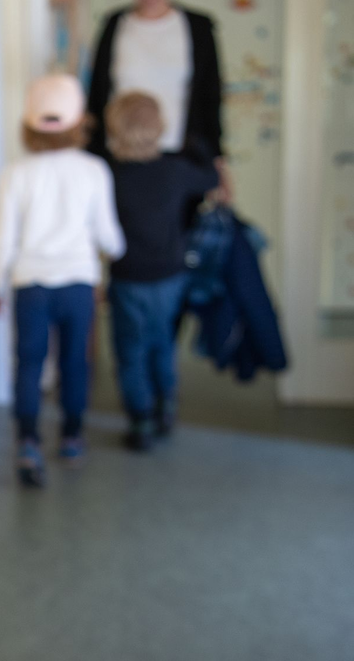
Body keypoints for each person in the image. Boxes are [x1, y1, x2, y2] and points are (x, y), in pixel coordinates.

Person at [0, 74, 126, 488]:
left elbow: (2, 237)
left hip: (30, 284)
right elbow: (108, 237)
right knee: (74, 363)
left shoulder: (16, 173)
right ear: (80, 122)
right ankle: (71, 437)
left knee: (29, 363)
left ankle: (27, 441)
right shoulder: (94, 170)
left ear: (27, 125)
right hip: (79, 284)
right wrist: (118, 251)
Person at [104, 92, 220, 451]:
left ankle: (140, 420)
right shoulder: (175, 170)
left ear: (115, 128)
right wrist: (197, 146)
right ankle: (165, 406)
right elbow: (210, 179)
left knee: (130, 348)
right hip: (170, 274)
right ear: (160, 127)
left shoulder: (110, 173)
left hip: (127, 276)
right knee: (162, 343)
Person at [86, 0, 230, 201]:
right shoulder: (114, 24)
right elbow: (96, 93)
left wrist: (218, 159)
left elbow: (211, 96)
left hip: (180, 154)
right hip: (120, 154)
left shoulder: (197, 26)